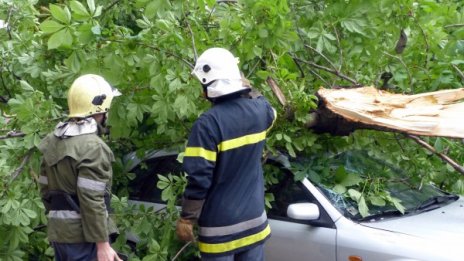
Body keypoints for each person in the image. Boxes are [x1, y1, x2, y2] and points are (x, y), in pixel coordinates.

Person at [176, 47, 277, 260]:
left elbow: (199, 178)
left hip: (219, 229)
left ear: (206, 86)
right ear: (237, 77)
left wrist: (187, 218)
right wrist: (247, 87)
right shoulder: (260, 111)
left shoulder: (208, 124)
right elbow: (270, 111)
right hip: (255, 223)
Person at [38, 74, 122, 261]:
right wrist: (103, 245)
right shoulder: (93, 147)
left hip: (60, 236)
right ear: (102, 107)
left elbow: (45, 189)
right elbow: (92, 199)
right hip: (84, 239)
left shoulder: (53, 141)